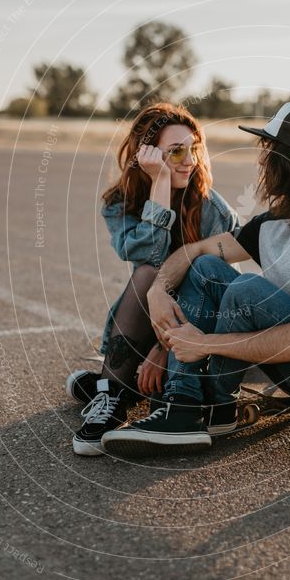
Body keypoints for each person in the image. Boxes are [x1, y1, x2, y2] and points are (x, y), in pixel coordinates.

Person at [101, 101, 290, 457]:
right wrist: (158, 290)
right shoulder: (281, 219)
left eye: (269, 149)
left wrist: (205, 345)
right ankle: (188, 407)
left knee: (247, 292)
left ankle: (193, 407)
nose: (263, 160)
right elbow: (195, 252)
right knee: (204, 269)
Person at [68, 102, 239, 456]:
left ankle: (111, 387)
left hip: (205, 328)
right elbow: (149, 257)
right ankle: (113, 396)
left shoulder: (212, 208)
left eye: (194, 149)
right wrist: (160, 184)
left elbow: (213, 290)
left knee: (161, 381)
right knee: (149, 271)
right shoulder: (119, 204)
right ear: (146, 155)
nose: (189, 160)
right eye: (175, 152)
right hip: (152, 316)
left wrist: (162, 351)